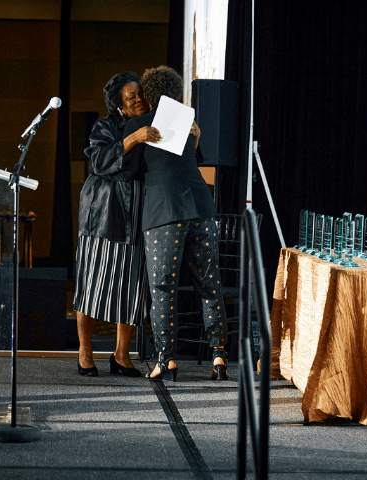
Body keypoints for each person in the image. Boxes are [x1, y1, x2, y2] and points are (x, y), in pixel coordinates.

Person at [123, 65, 229, 381]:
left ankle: (165, 359)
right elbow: (187, 161)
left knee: (163, 288)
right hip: (201, 208)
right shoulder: (186, 122)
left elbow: (130, 170)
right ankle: (220, 357)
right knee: (210, 285)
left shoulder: (139, 125)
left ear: (147, 94)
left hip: (163, 214)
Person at [74, 72, 162, 377]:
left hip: (139, 211)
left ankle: (121, 355)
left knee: (133, 286)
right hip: (104, 212)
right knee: (92, 284)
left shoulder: (154, 123)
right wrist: (133, 138)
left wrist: (194, 136)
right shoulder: (105, 126)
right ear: (118, 104)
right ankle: (85, 352)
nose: (138, 99)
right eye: (131, 96)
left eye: (140, 94)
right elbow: (98, 162)